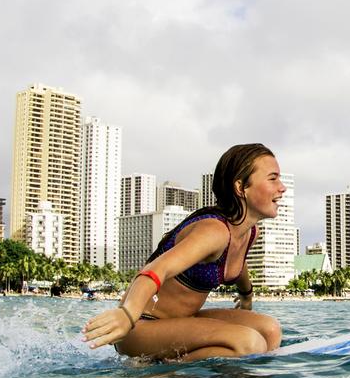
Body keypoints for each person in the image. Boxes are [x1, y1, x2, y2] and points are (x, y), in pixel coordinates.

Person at [81, 143, 285, 360]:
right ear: (240, 187)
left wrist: (246, 297)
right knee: (249, 343)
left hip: (181, 320)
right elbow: (157, 269)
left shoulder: (249, 233)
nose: (282, 187)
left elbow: (237, 265)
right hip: (140, 326)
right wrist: (127, 314)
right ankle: (157, 372)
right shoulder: (214, 231)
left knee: (270, 331)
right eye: (273, 178)